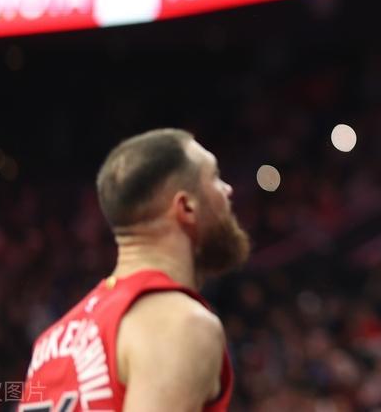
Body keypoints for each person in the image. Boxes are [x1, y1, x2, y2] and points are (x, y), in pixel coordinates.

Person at [21, 128, 250, 412]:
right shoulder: (180, 324)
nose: (228, 189)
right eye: (214, 177)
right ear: (186, 207)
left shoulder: (51, 341)